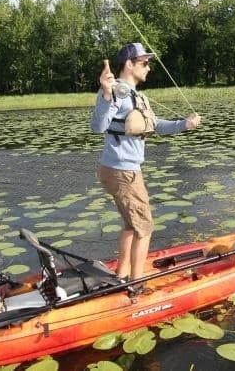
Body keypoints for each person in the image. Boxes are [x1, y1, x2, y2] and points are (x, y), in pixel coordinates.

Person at [90, 43, 201, 293]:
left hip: (120, 170)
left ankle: (122, 274)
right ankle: (136, 285)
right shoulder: (116, 92)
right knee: (145, 227)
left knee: (132, 225)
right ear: (129, 64)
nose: (149, 67)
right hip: (123, 172)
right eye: (144, 63)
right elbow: (98, 126)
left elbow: (155, 125)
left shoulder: (136, 95)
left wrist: (184, 124)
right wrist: (106, 95)